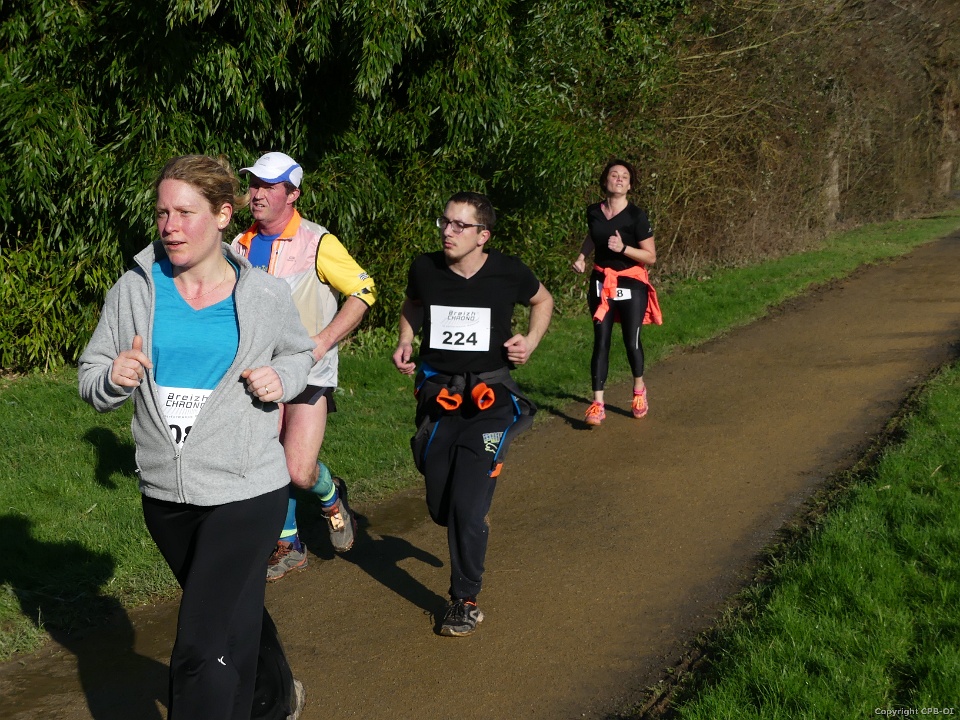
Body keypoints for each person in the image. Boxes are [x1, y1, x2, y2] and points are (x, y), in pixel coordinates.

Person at [78, 154, 313, 719]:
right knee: (232, 613)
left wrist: (281, 378)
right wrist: (111, 378)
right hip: (167, 495)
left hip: (246, 488)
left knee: (200, 648)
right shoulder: (134, 290)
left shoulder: (263, 294)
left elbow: (299, 355)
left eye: (185, 213)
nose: (170, 226)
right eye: (162, 213)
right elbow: (91, 373)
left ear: (223, 215)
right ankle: (275, 696)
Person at [392, 191, 553, 637]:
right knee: (441, 506)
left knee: (466, 505)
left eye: (459, 225)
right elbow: (413, 304)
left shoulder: (508, 271)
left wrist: (530, 341)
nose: (447, 231)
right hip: (439, 400)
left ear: (483, 235)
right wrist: (405, 340)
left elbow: (543, 300)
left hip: (490, 401)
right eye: (444, 222)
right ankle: (467, 515)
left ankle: (464, 599)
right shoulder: (425, 268)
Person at [232, 152, 377, 581]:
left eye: (268, 186)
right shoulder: (238, 245)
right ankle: (290, 544)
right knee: (266, 463)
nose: (257, 194)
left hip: (309, 372)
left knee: (298, 469)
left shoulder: (317, 242)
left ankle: (330, 496)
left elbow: (364, 291)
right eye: (253, 184)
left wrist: (323, 341)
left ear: (293, 194)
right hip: (258, 374)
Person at [572, 158, 662, 426]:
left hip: (631, 282)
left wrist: (623, 249)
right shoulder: (593, 211)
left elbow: (651, 257)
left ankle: (639, 391)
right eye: (614, 174)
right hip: (601, 282)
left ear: (630, 185)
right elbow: (593, 235)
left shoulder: (636, 216)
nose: (619, 178)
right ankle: (597, 404)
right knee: (601, 340)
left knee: (631, 341)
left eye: (625, 176)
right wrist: (581, 257)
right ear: (605, 181)